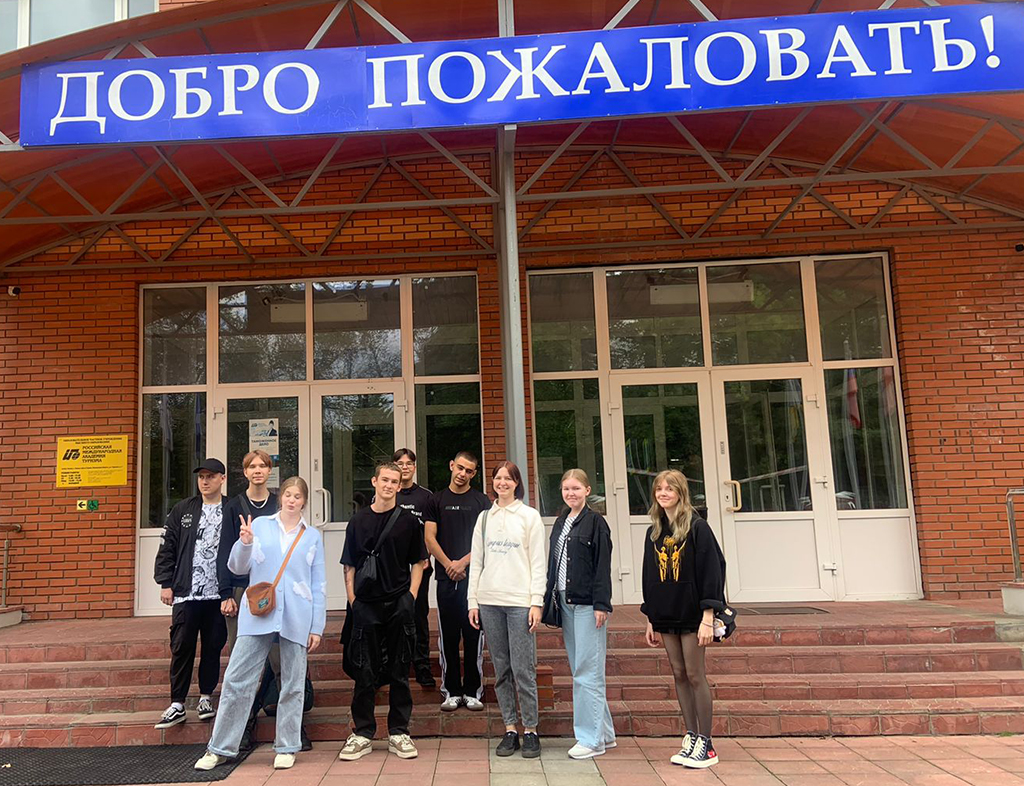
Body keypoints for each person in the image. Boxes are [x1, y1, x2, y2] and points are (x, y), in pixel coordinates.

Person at [194, 476, 326, 772]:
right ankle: (219, 747)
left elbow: (318, 584)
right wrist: (245, 543)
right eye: (288, 495)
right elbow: (237, 567)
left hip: (297, 615)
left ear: (304, 501)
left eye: (298, 496)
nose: (292, 500)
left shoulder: (312, 536)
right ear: (281, 498)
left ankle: (287, 745)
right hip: (258, 614)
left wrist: (316, 626)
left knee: (292, 684)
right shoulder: (261, 526)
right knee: (236, 679)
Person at [338, 462, 427, 762]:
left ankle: (399, 732)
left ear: (400, 486)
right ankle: (363, 733)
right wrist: (353, 601)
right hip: (366, 605)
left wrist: (411, 597)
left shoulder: (409, 522)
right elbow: (349, 564)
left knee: (400, 671)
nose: (389, 485)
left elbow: (419, 563)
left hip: (399, 603)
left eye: (394, 481)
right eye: (384, 480)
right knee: (365, 672)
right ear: (374, 481)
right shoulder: (358, 521)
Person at [641, 469, 726, 770]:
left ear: (681, 493)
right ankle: (691, 735)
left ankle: (707, 743)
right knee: (678, 673)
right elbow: (649, 576)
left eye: (669, 488)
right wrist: (650, 616)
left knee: (694, 674)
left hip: (692, 613)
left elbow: (713, 570)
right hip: (665, 613)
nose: (663, 493)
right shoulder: (654, 531)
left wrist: (708, 615)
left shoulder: (698, 527)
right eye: (659, 489)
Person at [468, 461, 546, 759]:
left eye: (508, 478)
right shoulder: (484, 518)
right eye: (497, 478)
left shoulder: (529, 516)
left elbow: (538, 562)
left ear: (517, 483)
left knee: (523, 669)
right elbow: (477, 561)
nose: (502, 482)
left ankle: (531, 730)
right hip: (489, 601)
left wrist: (536, 601)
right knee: (501, 669)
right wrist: (472, 601)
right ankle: (510, 728)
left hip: (520, 603)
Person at [542, 469, 615, 760]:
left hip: (587, 605)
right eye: (566, 489)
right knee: (583, 669)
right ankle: (605, 733)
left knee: (587, 672)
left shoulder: (596, 523)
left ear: (587, 490)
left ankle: (590, 739)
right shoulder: (561, 521)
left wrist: (602, 604)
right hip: (565, 601)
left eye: (575, 488)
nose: (570, 493)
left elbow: (602, 566)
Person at [153, 458, 229, 730]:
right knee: (181, 646)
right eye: (201, 477)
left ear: (222, 479)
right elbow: (168, 546)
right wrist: (166, 582)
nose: (205, 481)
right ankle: (177, 703)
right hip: (186, 593)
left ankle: (206, 697)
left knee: (213, 646)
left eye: (211, 476)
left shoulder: (232, 508)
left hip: (218, 594)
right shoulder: (183, 509)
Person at [424, 451, 491, 712]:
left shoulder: (481, 501)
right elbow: (429, 538)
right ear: (451, 465)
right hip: (446, 578)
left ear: (474, 474)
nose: (463, 474)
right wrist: (449, 565)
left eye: (469, 471)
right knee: (449, 637)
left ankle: (473, 691)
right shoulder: (436, 500)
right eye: (460, 468)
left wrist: (463, 563)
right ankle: (451, 691)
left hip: (475, 580)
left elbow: (487, 539)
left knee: (474, 635)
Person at [392, 448, 436, 688]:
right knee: (392, 614)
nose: (405, 467)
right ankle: (391, 665)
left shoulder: (426, 497)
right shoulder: (388, 491)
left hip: (420, 564)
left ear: (414, 467)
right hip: (393, 567)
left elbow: (431, 532)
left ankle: (422, 665)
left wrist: (426, 555)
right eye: (400, 463)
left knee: (418, 614)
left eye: (409, 463)